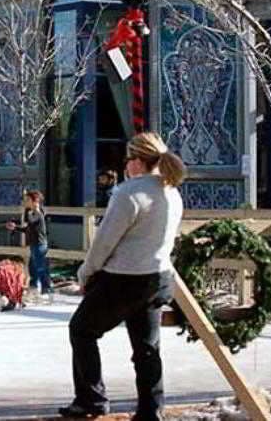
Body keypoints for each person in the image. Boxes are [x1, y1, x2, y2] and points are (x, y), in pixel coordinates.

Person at [59, 132, 185, 421]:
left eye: (128, 159)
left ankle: (91, 399)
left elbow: (104, 242)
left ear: (138, 161)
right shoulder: (172, 192)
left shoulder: (129, 194)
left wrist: (86, 272)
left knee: (82, 329)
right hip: (159, 276)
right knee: (147, 348)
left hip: (124, 278)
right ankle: (151, 410)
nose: (126, 165)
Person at [6, 190, 52, 304]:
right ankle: (34, 290)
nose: (25, 202)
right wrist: (15, 228)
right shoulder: (31, 213)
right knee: (33, 268)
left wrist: (35, 207)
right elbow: (28, 230)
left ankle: (46, 292)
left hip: (40, 245)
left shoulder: (38, 213)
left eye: (27, 200)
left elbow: (36, 221)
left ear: (34, 201)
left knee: (41, 268)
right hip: (33, 244)